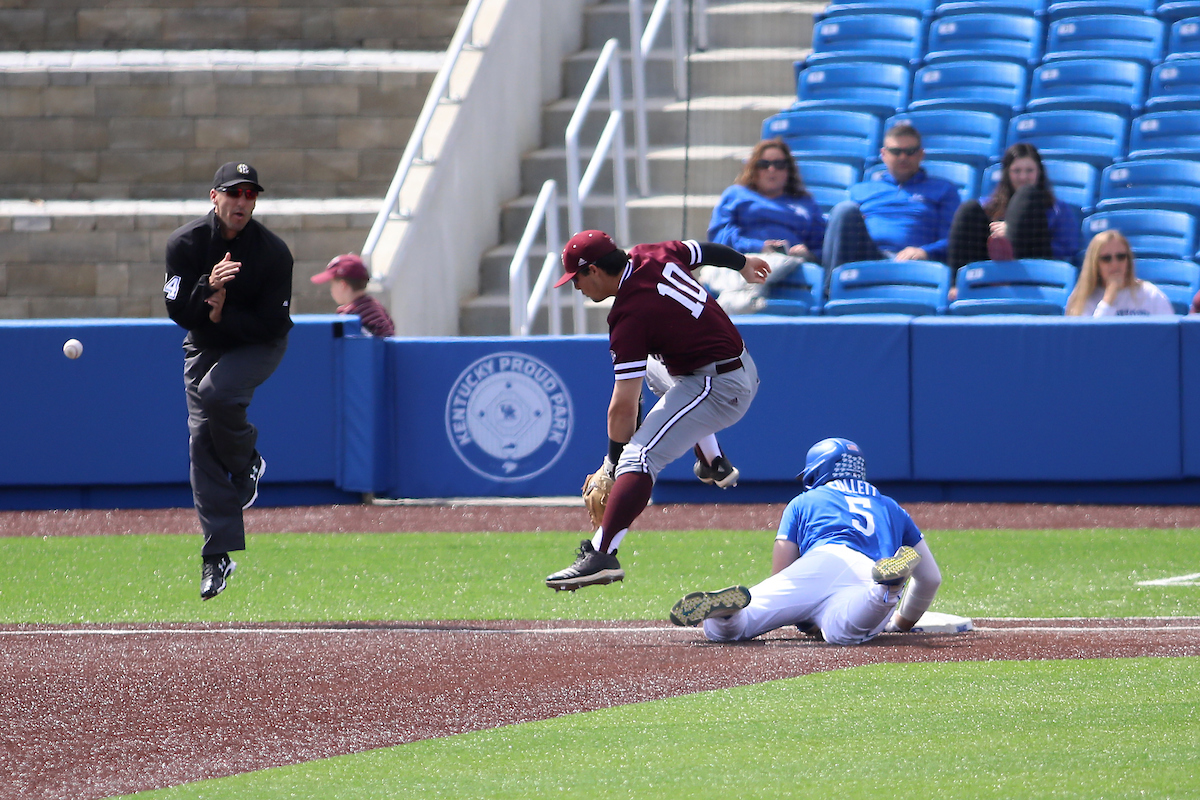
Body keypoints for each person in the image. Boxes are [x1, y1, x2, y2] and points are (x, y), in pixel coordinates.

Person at [544, 230, 769, 591]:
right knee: (651, 367)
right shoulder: (652, 251)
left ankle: (602, 555)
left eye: (577, 279)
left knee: (639, 458)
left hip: (718, 386)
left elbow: (623, 405)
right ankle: (714, 461)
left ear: (595, 271)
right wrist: (743, 264)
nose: (577, 288)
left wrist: (613, 465)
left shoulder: (629, 314)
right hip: (732, 367)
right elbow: (704, 250)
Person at [164, 161, 294, 600]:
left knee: (216, 394)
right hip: (204, 344)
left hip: (258, 343)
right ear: (213, 196)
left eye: (250, 194)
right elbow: (179, 312)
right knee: (201, 437)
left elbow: (272, 325)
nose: (242, 202)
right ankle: (216, 556)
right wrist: (205, 291)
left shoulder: (273, 253)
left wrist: (224, 314)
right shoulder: (184, 243)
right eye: (233, 193)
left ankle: (245, 463)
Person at [669, 438, 943, 645]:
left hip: (819, 562)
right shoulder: (891, 506)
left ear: (819, 471)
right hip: (867, 572)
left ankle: (726, 616)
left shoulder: (804, 501)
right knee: (842, 632)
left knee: (738, 626)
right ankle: (890, 588)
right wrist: (902, 624)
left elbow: (782, 573)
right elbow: (930, 578)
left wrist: (802, 614)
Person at [821, 124, 960, 280]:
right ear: (883, 154)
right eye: (896, 151)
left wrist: (926, 252)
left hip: (912, 262)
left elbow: (953, 239)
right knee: (844, 210)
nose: (903, 157)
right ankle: (830, 292)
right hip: (866, 256)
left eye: (910, 152)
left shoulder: (943, 189)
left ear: (921, 155)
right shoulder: (860, 190)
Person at [947, 143, 1081, 288]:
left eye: (1029, 170)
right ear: (1007, 174)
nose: (1023, 177)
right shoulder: (989, 207)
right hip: (991, 269)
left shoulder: (1058, 209)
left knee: (1027, 194)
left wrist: (1019, 232)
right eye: (1016, 171)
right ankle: (958, 283)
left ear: (1039, 173)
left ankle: (1009, 264)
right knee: (969, 209)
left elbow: (1068, 249)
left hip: (1034, 270)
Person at [706, 138, 825, 263]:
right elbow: (719, 238)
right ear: (753, 169)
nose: (771, 170)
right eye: (764, 165)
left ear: (788, 170)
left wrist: (807, 254)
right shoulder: (735, 195)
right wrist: (759, 247)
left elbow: (822, 246)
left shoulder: (805, 202)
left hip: (794, 266)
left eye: (779, 165)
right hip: (745, 262)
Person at [1065, 230, 1174, 317]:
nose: (1115, 264)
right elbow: (1092, 339)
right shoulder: (1082, 298)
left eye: (1121, 257)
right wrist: (1108, 299)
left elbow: (1169, 336)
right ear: (1095, 264)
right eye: (1106, 259)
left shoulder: (1151, 295)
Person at [311, 253, 395, 337]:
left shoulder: (349, 317)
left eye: (332, 284)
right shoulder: (377, 307)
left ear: (342, 285)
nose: (331, 289)